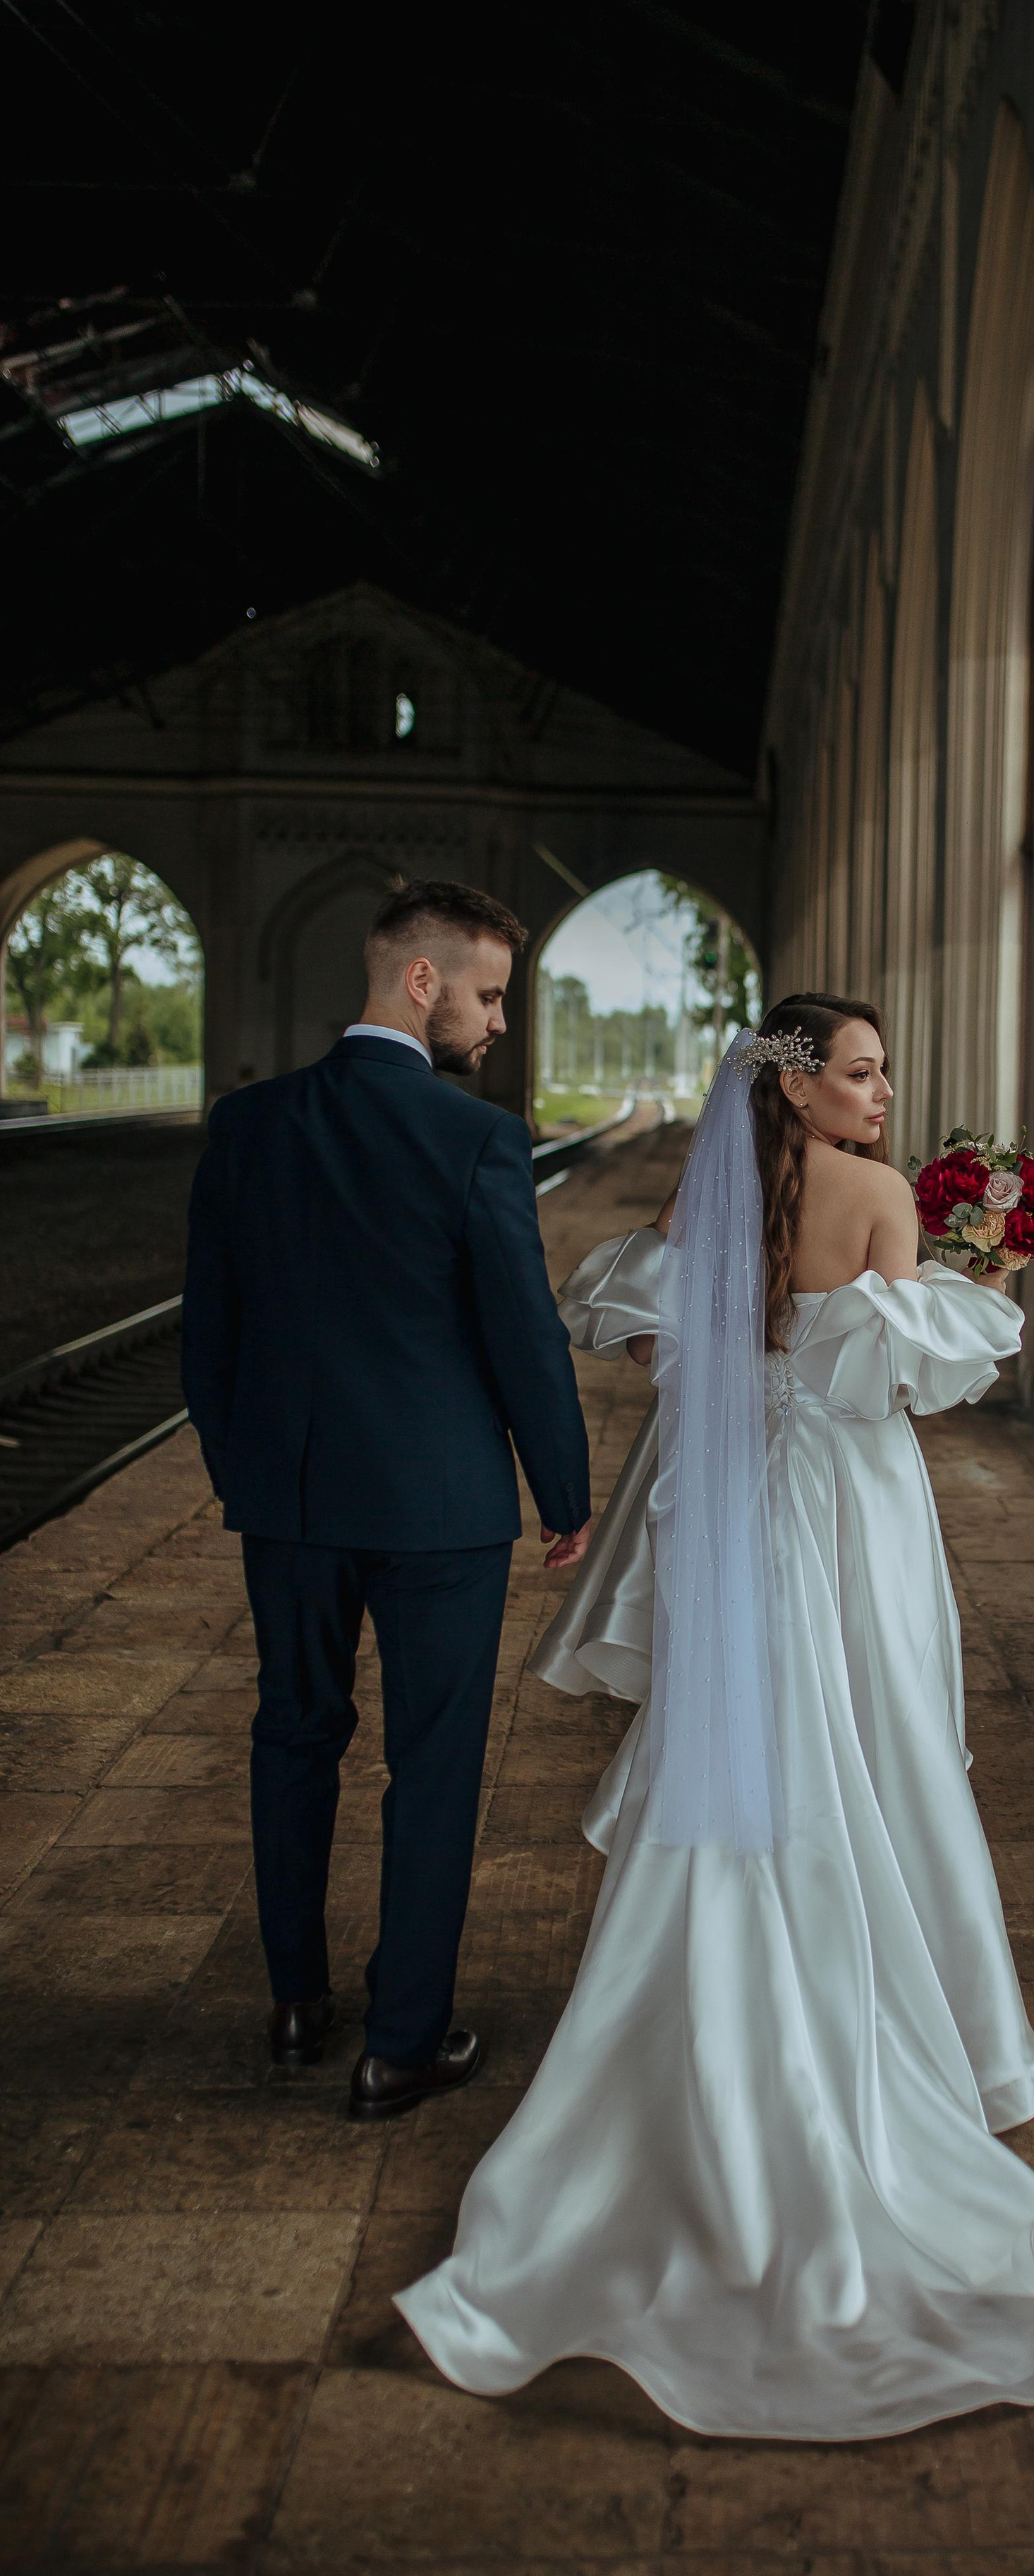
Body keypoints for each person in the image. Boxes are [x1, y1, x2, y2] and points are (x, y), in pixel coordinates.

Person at [396, 993, 1034, 2439]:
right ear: (802, 1086)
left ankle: (687, 1996)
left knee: (741, 1738)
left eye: (884, 1072)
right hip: (846, 1511)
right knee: (875, 1739)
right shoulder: (876, 1199)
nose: (884, 1094)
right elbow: (915, 1379)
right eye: (863, 1073)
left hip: (731, 1504)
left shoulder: (718, 1193)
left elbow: (659, 1358)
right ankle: (913, 2018)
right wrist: (993, 1263)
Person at [181, 880, 592, 2121]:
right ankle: (399, 2042)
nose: (498, 1024)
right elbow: (522, 1340)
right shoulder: (477, 1143)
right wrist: (564, 1493)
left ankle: (297, 2003)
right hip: (441, 1510)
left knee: (292, 1736)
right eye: (489, 995)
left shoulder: (248, 1124)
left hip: (291, 1501)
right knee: (433, 1765)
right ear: (423, 985)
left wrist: (249, 1467)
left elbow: (211, 1336)